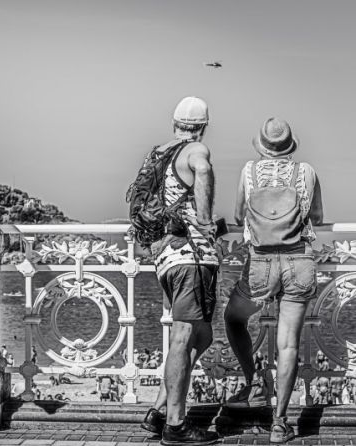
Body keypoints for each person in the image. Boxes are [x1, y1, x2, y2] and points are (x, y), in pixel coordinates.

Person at [224, 118, 323, 443]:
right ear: (290, 145)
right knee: (289, 344)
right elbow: (317, 218)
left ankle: (253, 383)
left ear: (263, 146)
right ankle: (280, 423)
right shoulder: (306, 171)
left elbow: (240, 216)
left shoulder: (248, 172)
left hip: (261, 262)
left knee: (233, 318)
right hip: (298, 260)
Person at [139, 97, 220, 445]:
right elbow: (202, 170)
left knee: (202, 337)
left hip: (165, 256)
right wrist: (205, 220)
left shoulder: (158, 153)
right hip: (190, 256)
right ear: (202, 126)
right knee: (184, 336)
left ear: (175, 122)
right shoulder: (195, 149)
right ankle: (175, 424)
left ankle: (158, 410)